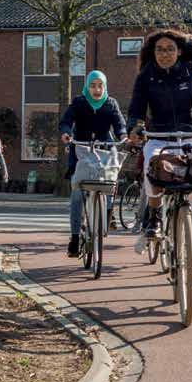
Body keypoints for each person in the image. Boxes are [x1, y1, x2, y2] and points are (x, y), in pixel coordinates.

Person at [127, 29, 192, 292]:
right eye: (160, 49)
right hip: (158, 137)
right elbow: (136, 108)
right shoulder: (146, 75)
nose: (165, 54)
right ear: (153, 53)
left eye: (170, 49)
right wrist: (134, 127)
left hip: (190, 137)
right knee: (151, 168)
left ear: (179, 51)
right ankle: (155, 216)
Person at [60, 70, 128, 257]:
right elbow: (66, 121)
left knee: (110, 182)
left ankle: (107, 213)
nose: (97, 89)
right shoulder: (79, 102)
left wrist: (123, 134)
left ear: (104, 86)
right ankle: (74, 238)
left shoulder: (111, 103)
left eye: (100, 85)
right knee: (76, 194)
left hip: (104, 149)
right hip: (81, 149)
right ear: (87, 86)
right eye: (93, 85)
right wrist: (66, 133)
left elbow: (119, 123)